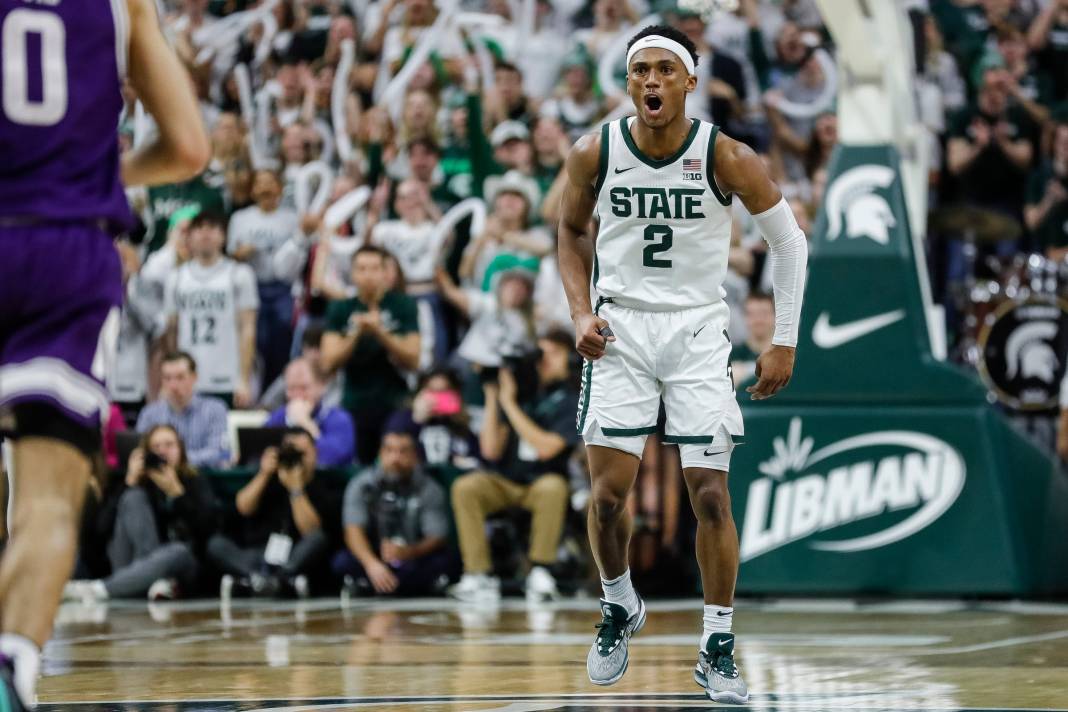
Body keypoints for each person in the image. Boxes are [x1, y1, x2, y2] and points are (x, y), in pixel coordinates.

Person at [556, 26, 808, 703]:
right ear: (628, 81)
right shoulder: (595, 151)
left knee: (711, 495)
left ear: (690, 80)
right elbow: (571, 232)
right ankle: (618, 602)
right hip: (621, 328)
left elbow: (790, 244)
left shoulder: (726, 155)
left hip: (697, 328)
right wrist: (579, 313)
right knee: (608, 498)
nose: (652, 80)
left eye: (666, 69)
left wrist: (783, 339)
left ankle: (717, 646)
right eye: (641, 69)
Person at [0, 0, 209, 707]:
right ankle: (13, 661)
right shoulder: (124, 5)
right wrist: (97, 180)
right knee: (48, 499)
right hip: (68, 250)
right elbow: (189, 149)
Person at [448, 331, 579, 603]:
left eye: (554, 353)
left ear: (570, 360)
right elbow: (490, 449)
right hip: (507, 481)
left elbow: (547, 448)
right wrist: (493, 394)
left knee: (553, 487)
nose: (544, 360)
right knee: (466, 487)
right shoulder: (521, 393)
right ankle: (477, 574)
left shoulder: (570, 400)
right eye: (541, 354)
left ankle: (541, 570)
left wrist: (509, 404)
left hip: (542, 482)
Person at [64, 425, 218, 601]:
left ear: (181, 450)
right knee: (133, 497)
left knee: (179, 551)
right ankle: (141, 581)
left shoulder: (194, 479)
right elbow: (100, 532)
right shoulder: (133, 483)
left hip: (178, 567)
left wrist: (177, 494)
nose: (162, 452)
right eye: (156, 447)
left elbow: (208, 532)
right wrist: (128, 483)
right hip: (132, 563)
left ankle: (101, 589)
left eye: (169, 445)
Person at [207, 429, 337, 598]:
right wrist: (264, 473)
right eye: (290, 454)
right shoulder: (268, 478)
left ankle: (270, 580)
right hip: (257, 553)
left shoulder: (322, 487)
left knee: (318, 538)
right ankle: (265, 579)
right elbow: (243, 507)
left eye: (301, 454)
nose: (295, 460)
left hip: (294, 554)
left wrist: (295, 489)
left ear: (314, 453)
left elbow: (310, 531)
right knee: (217, 543)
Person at [321, 246, 421, 465]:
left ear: (385, 272)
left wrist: (380, 332)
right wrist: (356, 334)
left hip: (394, 400)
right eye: (362, 269)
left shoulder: (403, 305)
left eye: (375, 268)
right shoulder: (340, 308)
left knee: (394, 462)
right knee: (360, 465)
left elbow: (414, 359)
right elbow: (328, 362)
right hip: (354, 400)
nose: (368, 275)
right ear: (353, 273)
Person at [333, 430, 454, 596]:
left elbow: (437, 536)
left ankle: (377, 586)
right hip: (375, 555)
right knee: (342, 561)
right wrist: (371, 564)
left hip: (413, 555)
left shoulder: (429, 488)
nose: (395, 458)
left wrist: (409, 552)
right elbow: (352, 530)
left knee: (445, 561)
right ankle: (394, 585)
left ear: (415, 456)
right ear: (380, 454)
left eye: (403, 451)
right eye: (389, 450)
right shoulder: (361, 485)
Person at [164, 210, 259, 407]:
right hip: (187, 378)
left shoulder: (240, 274)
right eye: (199, 228)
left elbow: (248, 329)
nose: (206, 233)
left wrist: (244, 378)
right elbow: (171, 330)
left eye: (213, 228)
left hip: (226, 376)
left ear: (224, 236)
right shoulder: (176, 278)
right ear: (189, 237)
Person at [227, 170, 302, 389]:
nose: (265, 188)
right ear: (252, 190)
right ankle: (253, 388)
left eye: (270, 183)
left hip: (284, 287)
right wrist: (243, 252)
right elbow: (231, 253)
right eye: (260, 184)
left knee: (283, 335)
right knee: (256, 339)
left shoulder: (292, 218)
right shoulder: (240, 218)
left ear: (280, 188)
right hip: (252, 286)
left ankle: (279, 388)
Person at [136, 352, 230, 469]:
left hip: (203, 476)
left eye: (180, 377)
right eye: (167, 378)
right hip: (159, 477)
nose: (173, 385)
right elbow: (140, 453)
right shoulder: (149, 413)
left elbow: (219, 453)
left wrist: (175, 459)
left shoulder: (215, 409)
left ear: (194, 377)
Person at [263, 357, 356, 468]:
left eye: (304, 388)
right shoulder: (277, 418)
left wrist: (305, 423)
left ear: (321, 386)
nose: (298, 395)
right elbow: (260, 455)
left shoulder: (339, 419)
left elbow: (335, 457)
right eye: (292, 388)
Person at [730, 292, 775, 387]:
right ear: (744, 317)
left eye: (764, 313)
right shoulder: (730, 355)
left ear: (775, 316)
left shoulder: (787, 355)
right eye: (752, 314)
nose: (758, 320)